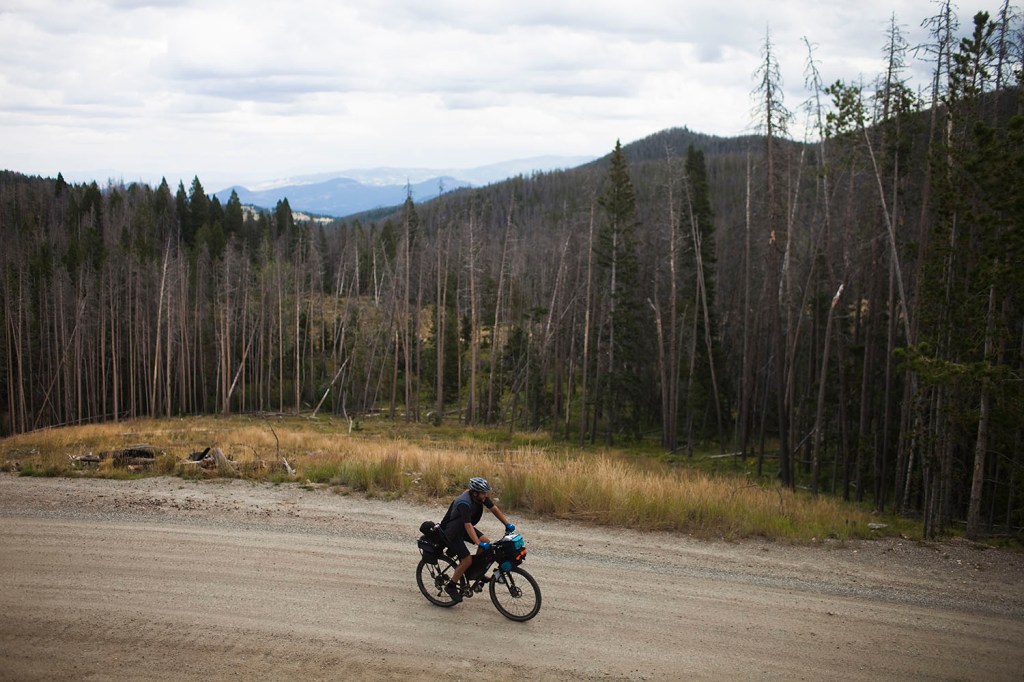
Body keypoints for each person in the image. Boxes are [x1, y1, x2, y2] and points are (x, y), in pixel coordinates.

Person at [439, 477, 515, 603]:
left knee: (486, 540)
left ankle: (474, 571)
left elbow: (494, 508)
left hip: (461, 528)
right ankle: (451, 586)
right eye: (483, 493)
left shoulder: (478, 496)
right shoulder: (464, 503)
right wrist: (478, 543)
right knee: (467, 559)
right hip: (451, 532)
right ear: (475, 493)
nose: (485, 496)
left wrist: (507, 524)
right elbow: (468, 525)